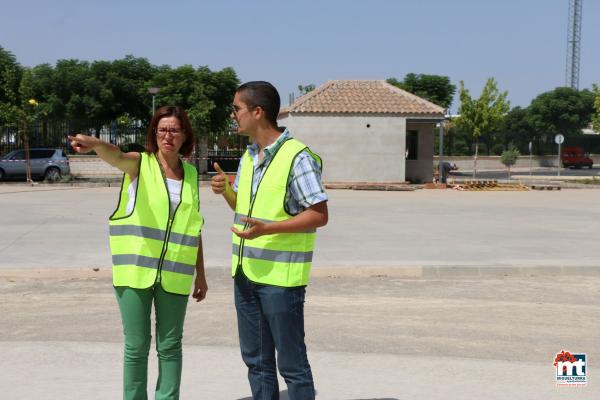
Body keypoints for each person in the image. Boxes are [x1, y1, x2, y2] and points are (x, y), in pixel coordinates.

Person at [69, 106, 207, 400]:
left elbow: (194, 228)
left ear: (185, 136)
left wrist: (202, 275)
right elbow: (116, 156)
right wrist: (95, 145)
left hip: (176, 274)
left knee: (170, 346)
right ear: (154, 134)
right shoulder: (139, 164)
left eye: (174, 130)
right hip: (135, 272)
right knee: (137, 345)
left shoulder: (192, 175)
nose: (167, 136)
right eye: (162, 130)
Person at [211, 81, 328, 400]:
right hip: (245, 274)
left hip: (280, 280)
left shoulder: (296, 157)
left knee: (292, 365)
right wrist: (227, 193)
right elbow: (246, 210)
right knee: (257, 362)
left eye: (236, 109)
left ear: (257, 112)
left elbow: (319, 214)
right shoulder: (250, 157)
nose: (233, 115)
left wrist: (269, 228)